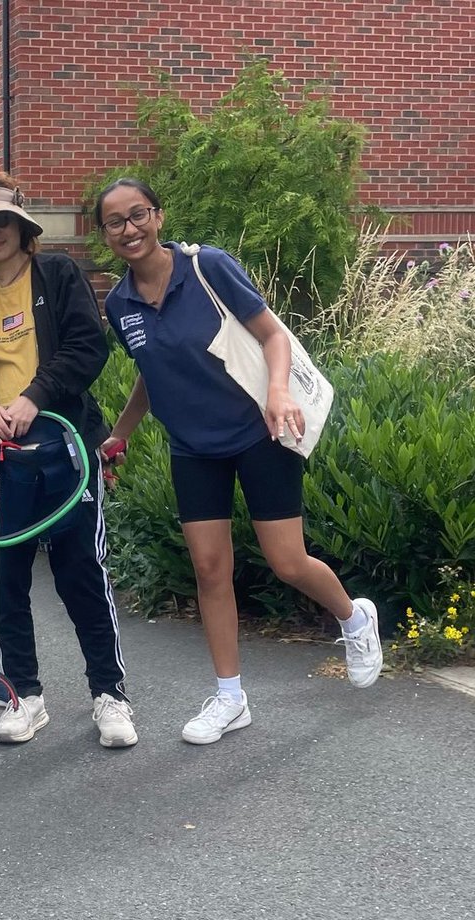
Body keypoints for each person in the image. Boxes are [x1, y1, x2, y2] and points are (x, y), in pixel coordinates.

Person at [95, 178, 384, 745]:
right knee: (208, 570)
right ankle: (230, 697)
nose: (129, 229)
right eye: (115, 222)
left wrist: (279, 392)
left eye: (138, 215)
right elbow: (151, 375)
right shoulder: (119, 303)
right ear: (103, 233)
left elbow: (273, 335)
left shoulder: (208, 268)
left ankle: (355, 617)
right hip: (192, 448)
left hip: (259, 432)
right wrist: (120, 435)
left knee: (288, 563)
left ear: (158, 215)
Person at [0, 173, 136, 747]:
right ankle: (24, 695)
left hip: (67, 452)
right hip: (1, 466)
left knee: (83, 575)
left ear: (21, 227)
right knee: (6, 582)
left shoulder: (58, 275)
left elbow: (87, 347)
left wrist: (33, 398)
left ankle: (110, 695)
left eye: (1, 220)